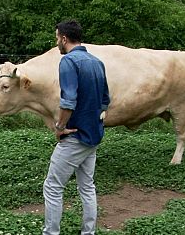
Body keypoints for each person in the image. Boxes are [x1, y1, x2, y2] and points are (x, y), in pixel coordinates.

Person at [43, 20, 110, 235]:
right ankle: (88, 232)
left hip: (74, 137)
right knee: (87, 186)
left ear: (64, 38)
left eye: (57, 38)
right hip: (93, 136)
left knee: (52, 187)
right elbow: (105, 100)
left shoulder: (69, 62)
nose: (56, 43)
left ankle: (50, 233)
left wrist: (59, 127)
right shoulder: (96, 62)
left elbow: (68, 101)